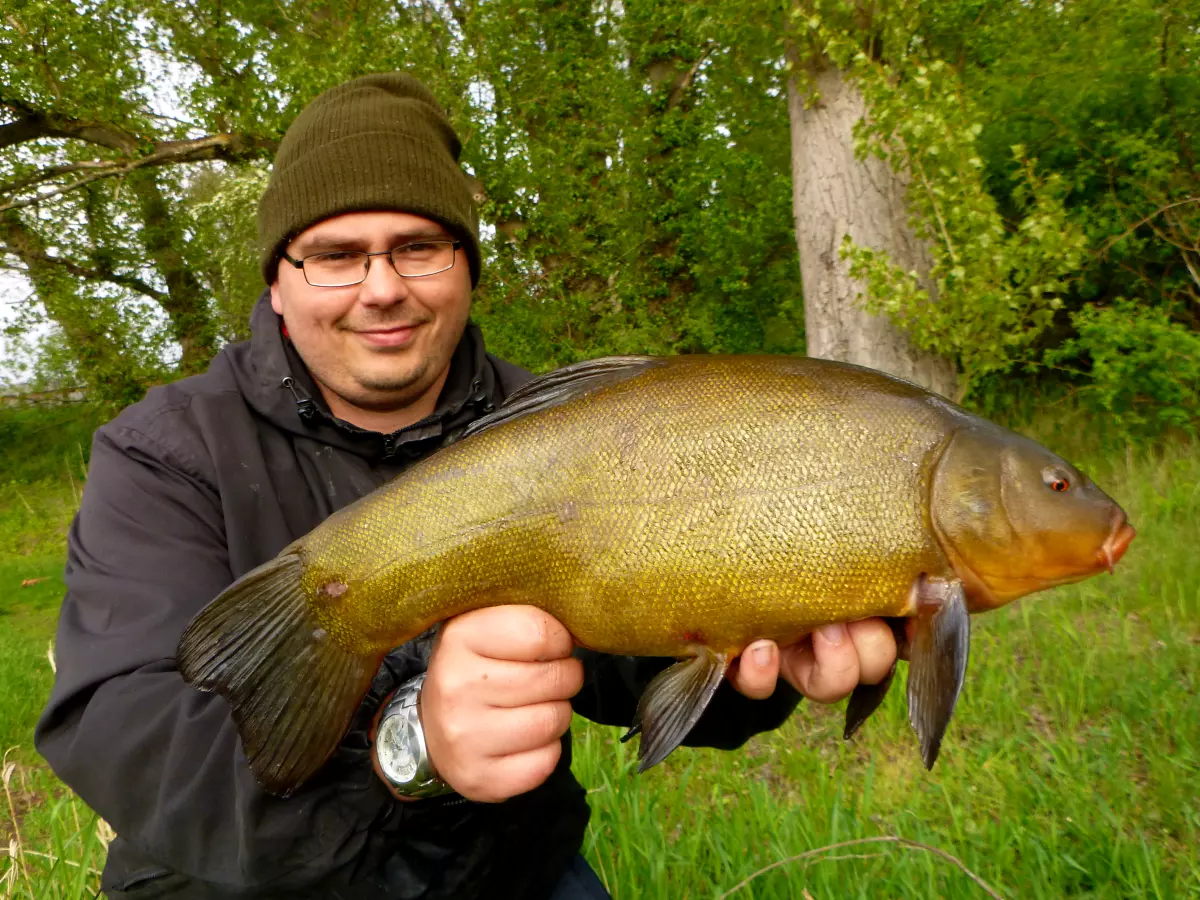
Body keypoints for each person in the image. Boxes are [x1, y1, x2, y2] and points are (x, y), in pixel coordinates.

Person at [35, 73, 899, 899]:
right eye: (336, 255)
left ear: (466, 266)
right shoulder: (166, 452)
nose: (382, 289)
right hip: (232, 887)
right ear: (277, 278)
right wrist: (405, 748)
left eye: (418, 247)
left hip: (504, 875)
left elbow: (637, 672)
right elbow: (127, 737)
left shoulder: (563, 422)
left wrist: (767, 648)